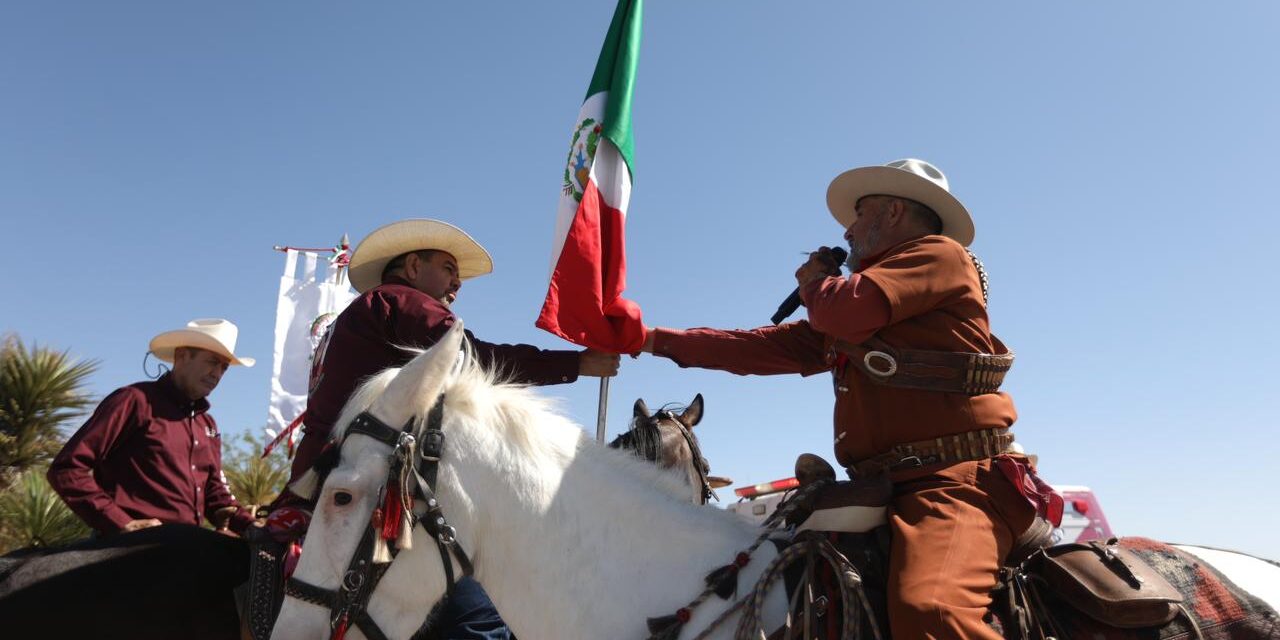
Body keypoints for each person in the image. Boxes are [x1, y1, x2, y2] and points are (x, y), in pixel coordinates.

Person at [640, 159, 1056, 639]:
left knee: (930, 612)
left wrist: (815, 282)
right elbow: (759, 346)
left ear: (894, 212)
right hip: (880, 484)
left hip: (954, 483)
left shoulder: (938, 255)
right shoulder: (859, 301)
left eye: (858, 216)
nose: (848, 231)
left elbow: (843, 309)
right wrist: (651, 339)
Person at [277, 218, 620, 640]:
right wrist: (577, 364)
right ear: (414, 266)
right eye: (448, 268)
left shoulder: (356, 318)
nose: (456, 283)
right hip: (367, 488)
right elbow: (470, 359)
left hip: (326, 481)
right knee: (480, 619)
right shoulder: (399, 301)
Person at [48, 318, 257, 536]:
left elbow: (215, 495)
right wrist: (121, 523)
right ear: (182, 356)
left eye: (224, 367)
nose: (217, 374)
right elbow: (66, 469)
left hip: (184, 551)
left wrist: (249, 525)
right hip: (125, 554)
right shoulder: (134, 401)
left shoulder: (207, 424)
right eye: (212, 361)